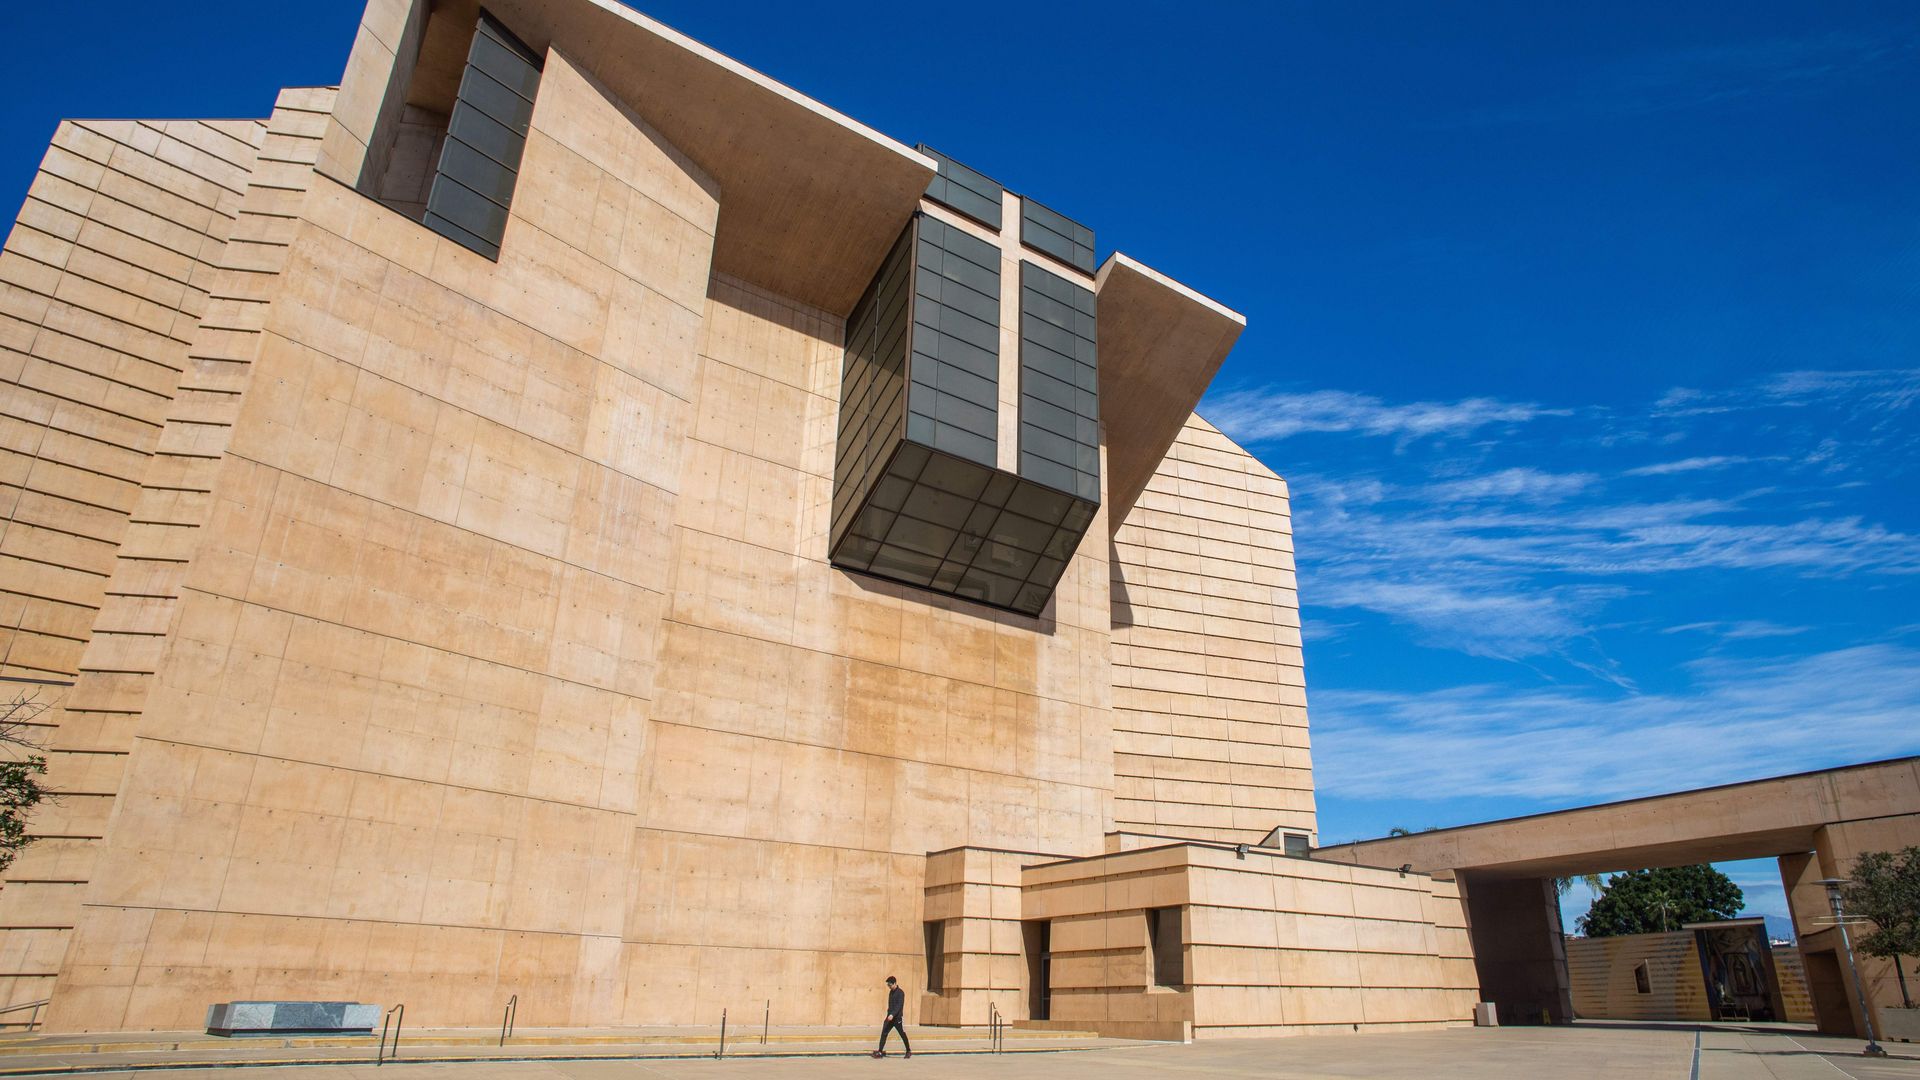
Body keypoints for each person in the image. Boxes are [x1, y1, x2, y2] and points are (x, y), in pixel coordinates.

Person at [870, 975, 911, 1058]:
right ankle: (880, 1051)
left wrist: (893, 1014)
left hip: (897, 1018)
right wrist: (889, 1014)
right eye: (888, 985)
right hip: (890, 1017)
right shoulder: (891, 992)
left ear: (895, 983)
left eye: (890, 985)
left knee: (902, 1034)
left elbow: (899, 1005)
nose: (889, 987)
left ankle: (908, 1051)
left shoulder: (900, 993)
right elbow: (891, 1005)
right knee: (884, 1032)